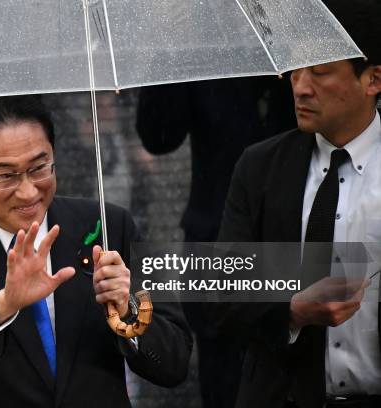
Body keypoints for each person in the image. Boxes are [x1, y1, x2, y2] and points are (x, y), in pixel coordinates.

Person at [0, 96, 193, 408]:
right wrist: (3, 304)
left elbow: (174, 360)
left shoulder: (109, 226)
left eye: (39, 167)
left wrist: (127, 311)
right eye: (5, 175)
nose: (28, 191)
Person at [216, 0, 381, 407]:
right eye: (295, 68)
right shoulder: (260, 168)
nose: (300, 85)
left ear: (372, 80)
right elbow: (220, 294)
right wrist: (291, 311)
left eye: (321, 71)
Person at [136, 76, 295, 408]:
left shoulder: (297, 58)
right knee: (223, 382)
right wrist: (170, 43)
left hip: (290, 239)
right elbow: (159, 135)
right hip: (215, 243)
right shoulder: (201, 52)